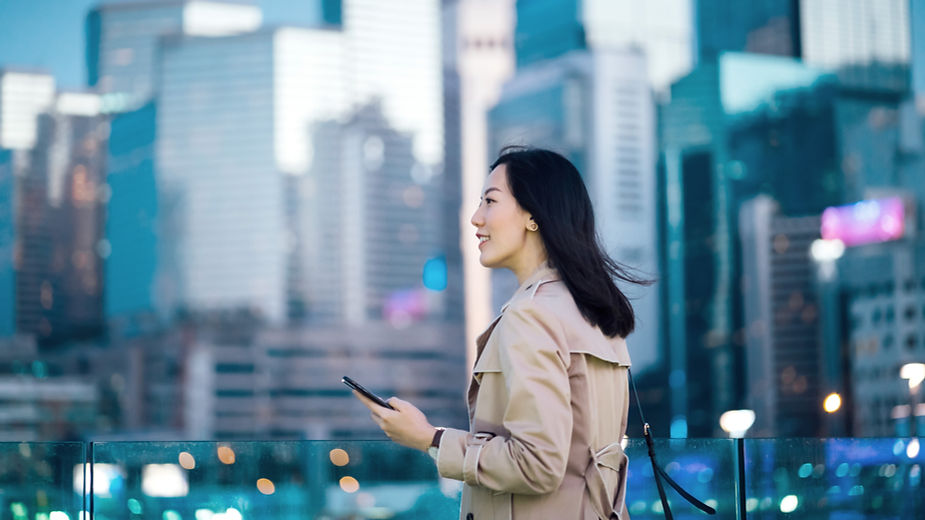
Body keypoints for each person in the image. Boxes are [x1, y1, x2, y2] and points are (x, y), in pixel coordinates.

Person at [353, 147, 646, 519]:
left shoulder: (532, 315)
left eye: (490, 201)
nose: (476, 218)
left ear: (533, 215)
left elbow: (537, 464)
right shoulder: (593, 309)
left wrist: (430, 438)